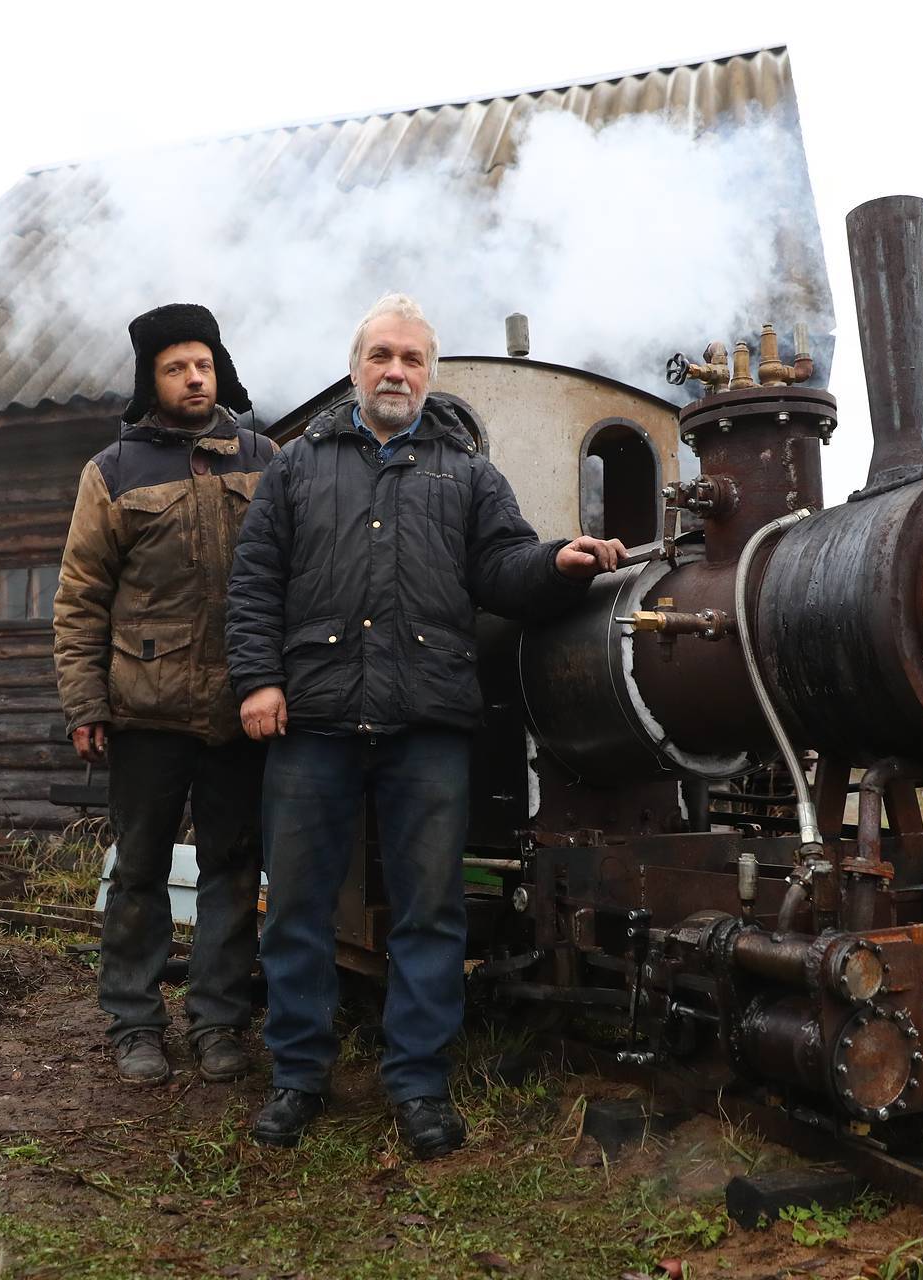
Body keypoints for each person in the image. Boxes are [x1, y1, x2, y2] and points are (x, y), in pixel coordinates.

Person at [225, 293, 624, 1156]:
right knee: (295, 906)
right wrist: (258, 680)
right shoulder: (297, 469)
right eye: (381, 356)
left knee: (430, 913)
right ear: (356, 365)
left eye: (411, 358)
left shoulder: (469, 476)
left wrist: (557, 561)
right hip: (314, 719)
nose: (396, 371)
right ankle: (297, 1077)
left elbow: (504, 568)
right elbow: (254, 582)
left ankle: (418, 1085)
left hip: (427, 723)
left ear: (429, 372)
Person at [53, 303, 277, 1086]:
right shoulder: (112, 471)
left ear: (220, 371)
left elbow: (292, 573)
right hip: (143, 708)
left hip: (241, 708)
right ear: (152, 379)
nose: (193, 378)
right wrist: (85, 703)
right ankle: (134, 1023)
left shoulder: (264, 456)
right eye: (177, 366)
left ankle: (218, 1022)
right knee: (141, 868)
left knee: (232, 868)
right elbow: (81, 596)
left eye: (204, 364)